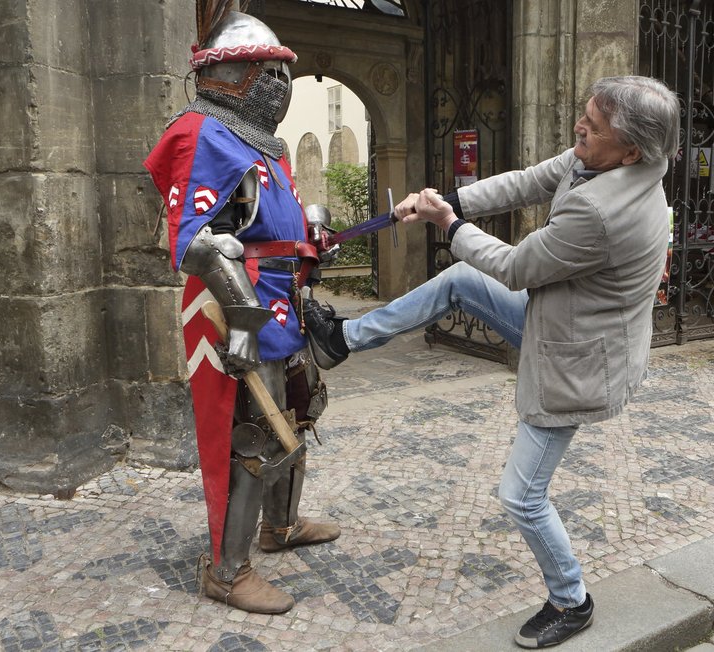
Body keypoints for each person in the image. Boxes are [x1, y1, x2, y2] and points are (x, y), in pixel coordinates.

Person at [305, 75, 680, 648]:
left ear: (631, 149)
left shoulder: (603, 210)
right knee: (459, 280)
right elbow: (529, 181)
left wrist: (447, 226)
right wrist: (446, 199)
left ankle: (571, 600)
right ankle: (344, 340)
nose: (580, 127)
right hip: (560, 323)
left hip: (576, 361)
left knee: (521, 496)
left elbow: (515, 267)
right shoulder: (601, 162)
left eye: (594, 126)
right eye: (584, 114)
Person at [143, 7, 339, 614]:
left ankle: (280, 526)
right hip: (240, 305)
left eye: (282, 73)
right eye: (267, 72)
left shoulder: (264, 143)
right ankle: (228, 570)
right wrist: (244, 326)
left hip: (286, 298)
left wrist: (310, 238)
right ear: (234, 75)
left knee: (300, 408)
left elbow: (262, 221)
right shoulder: (201, 131)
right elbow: (197, 242)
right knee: (255, 431)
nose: (278, 87)